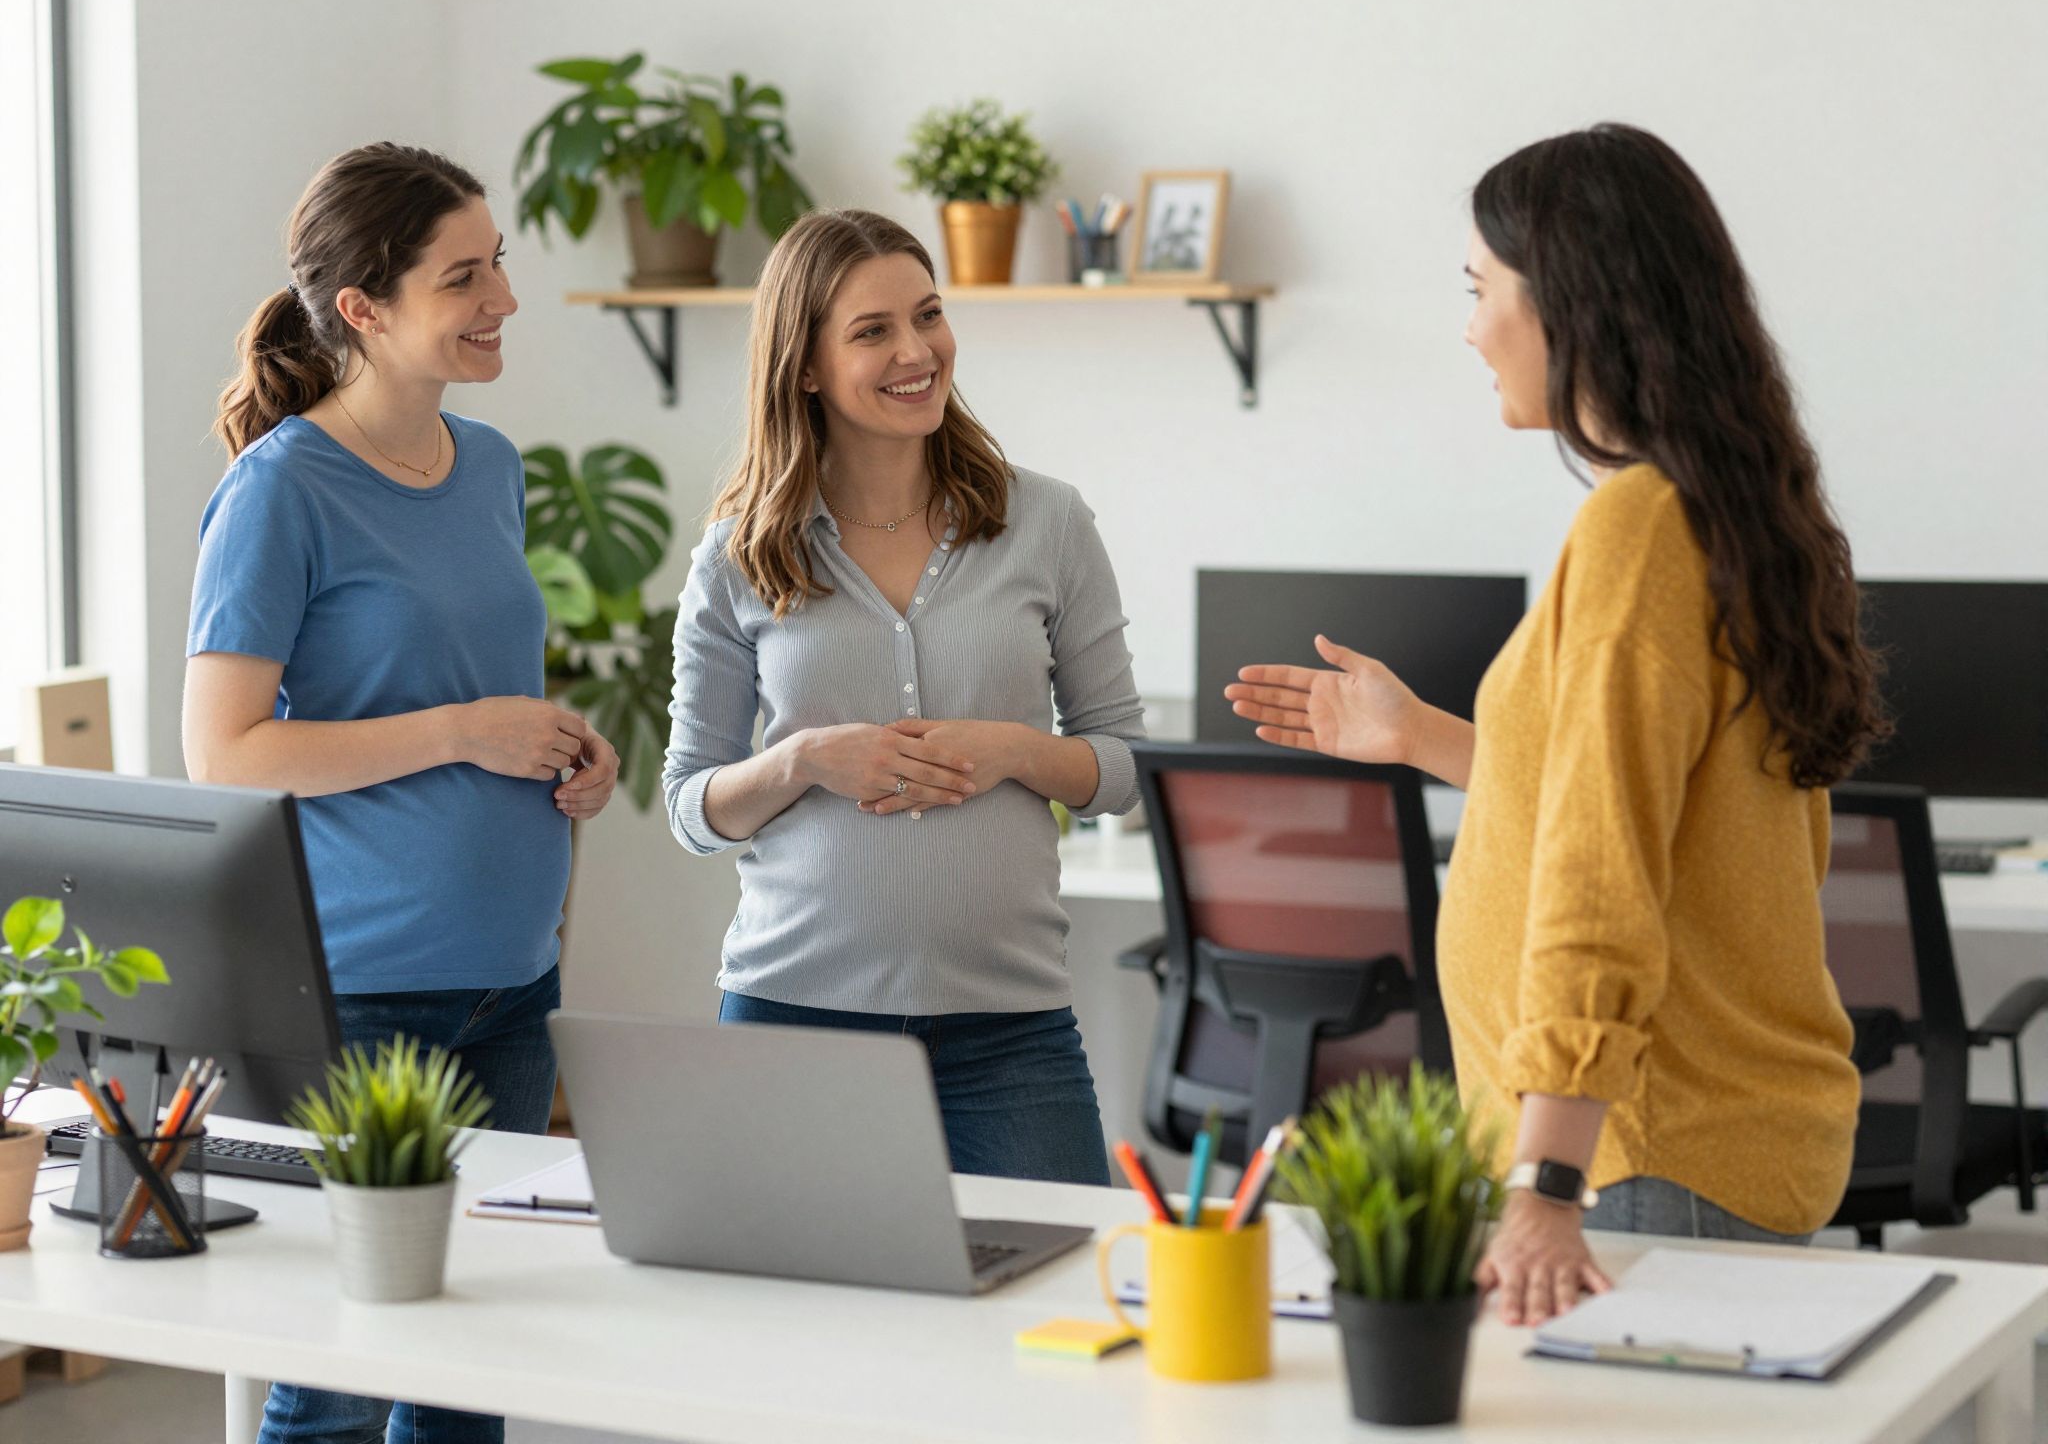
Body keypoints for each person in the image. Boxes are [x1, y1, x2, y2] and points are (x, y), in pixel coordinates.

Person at [1226, 124, 1884, 1325]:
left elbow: (1599, 878)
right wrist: (1420, 735)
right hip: (1697, 1146)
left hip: (1644, 1160)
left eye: (1480, 291)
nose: (1470, 329)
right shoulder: (1719, 514)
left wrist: (1545, 1179)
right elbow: (1643, 803)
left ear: (1566, 303)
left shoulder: (1634, 532)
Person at [185, 142, 618, 1444]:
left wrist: (563, 751)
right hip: (363, 990)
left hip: (510, 976)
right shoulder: (280, 493)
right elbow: (229, 752)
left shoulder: (489, 468)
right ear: (365, 309)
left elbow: (479, 697)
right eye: (463, 275)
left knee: (472, 1367)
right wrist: (461, 733)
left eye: (501, 264)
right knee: (343, 1370)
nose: (502, 299)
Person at [663, 208, 1145, 1186]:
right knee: (797, 1325)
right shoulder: (737, 555)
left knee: (1047, 1314)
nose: (916, 350)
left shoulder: (1045, 521)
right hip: (791, 1020)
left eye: (926, 316)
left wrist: (1013, 749)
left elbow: (1122, 766)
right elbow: (690, 805)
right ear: (804, 365)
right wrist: (803, 760)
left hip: (1007, 1032)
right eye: (872, 331)